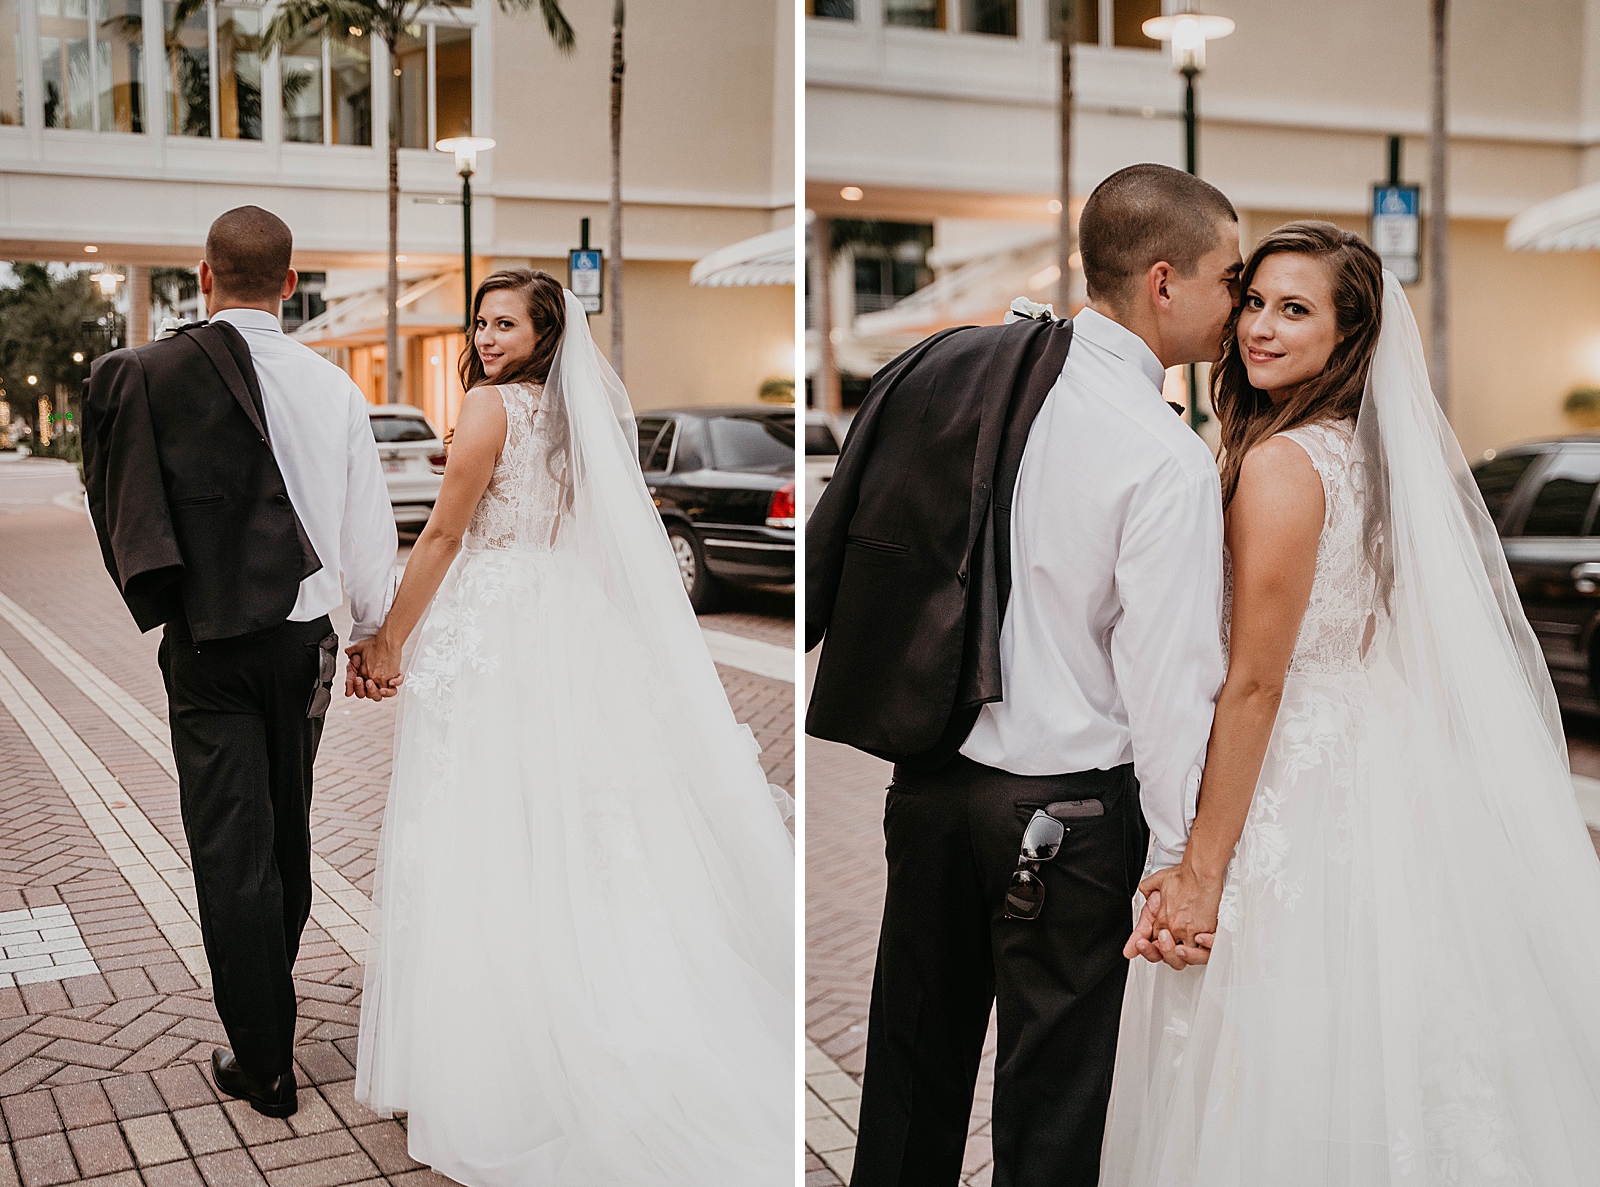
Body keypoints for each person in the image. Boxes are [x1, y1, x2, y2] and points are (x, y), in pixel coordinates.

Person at [1102, 223, 1600, 1184]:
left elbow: (1257, 679)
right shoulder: (1366, 461)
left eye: (1296, 310)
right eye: (1254, 301)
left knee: (1277, 1040)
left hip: (1297, 767)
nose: (1260, 327)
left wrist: (1200, 866)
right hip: (1378, 754)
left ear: (1351, 334)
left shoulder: (1284, 465)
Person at [347, 269, 794, 1186]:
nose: (487, 333)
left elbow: (439, 537)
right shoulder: (573, 415)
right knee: (568, 816)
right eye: (481, 321)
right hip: (560, 616)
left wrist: (391, 636)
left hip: (494, 625)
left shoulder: (483, 407)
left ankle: (500, 1050)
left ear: (547, 329)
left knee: (485, 822)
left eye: (505, 321)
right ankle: (580, 1004)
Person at [843, 164, 1243, 1187]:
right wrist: (1171, 857)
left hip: (931, 789)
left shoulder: (966, 375)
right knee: (1055, 1104)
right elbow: (1168, 683)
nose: (1235, 302)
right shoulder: (1165, 456)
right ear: (1163, 281)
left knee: (907, 1077)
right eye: (1228, 279)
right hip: (1068, 821)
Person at [81, 205, 397, 1118]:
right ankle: (270, 995)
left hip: (209, 644)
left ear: (205, 276)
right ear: (294, 284)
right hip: (306, 647)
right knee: (287, 826)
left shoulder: (157, 373)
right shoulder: (333, 387)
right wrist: (377, 632)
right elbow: (365, 529)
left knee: (231, 847)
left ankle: (264, 1057)